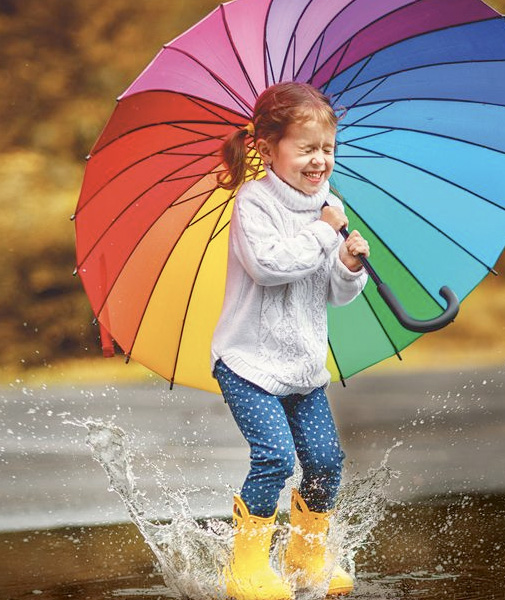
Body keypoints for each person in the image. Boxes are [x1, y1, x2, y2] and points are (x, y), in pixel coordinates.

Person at [211, 82, 369, 600]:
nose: (319, 160)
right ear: (267, 148)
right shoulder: (253, 203)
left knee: (325, 461)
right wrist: (326, 233)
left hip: (301, 364)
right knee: (275, 458)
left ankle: (305, 560)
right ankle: (248, 569)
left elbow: (332, 293)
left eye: (327, 148)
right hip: (248, 363)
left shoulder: (330, 204)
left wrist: (347, 267)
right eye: (306, 149)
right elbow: (271, 267)